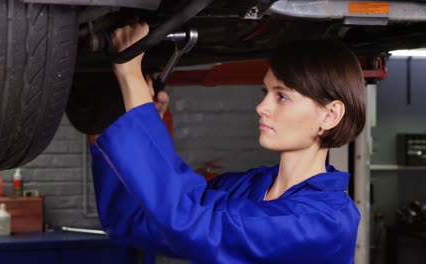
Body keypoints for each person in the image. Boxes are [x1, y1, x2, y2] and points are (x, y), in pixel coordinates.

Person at [90, 22, 365, 264]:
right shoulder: (246, 187)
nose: (261, 106)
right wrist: (140, 119)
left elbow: (189, 219)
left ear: (330, 115)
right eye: (265, 92)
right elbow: (134, 221)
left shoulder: (326, 222)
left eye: (281, 97)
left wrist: (130, 74)